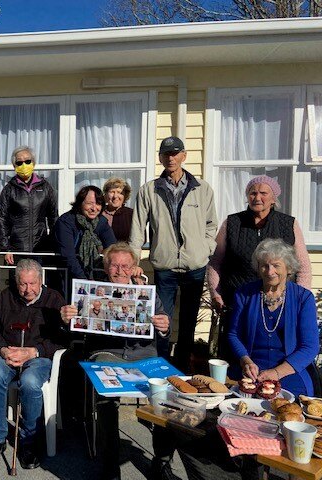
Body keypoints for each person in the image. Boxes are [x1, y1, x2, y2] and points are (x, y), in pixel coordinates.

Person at [61, 242, 170, 480]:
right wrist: (67, 319)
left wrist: (163, 327)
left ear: (134, 268)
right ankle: (110, 463)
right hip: (107, 353)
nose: (119, 271)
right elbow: (75, 332)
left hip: (143, 355)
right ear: (106, 267)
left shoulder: (147, 293)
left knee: (165, 396)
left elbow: (165, 329)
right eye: (114, 265)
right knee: (107, 397)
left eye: (125, 266)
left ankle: (162, 460)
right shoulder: (92, 292)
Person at [130, 136, 217, 369]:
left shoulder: (202, 189)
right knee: (161, 321)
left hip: (194, 268)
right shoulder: (149, 190)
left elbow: (211, 225)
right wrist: (133, 261)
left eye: (175, 153)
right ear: (160, 158)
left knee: (188, 324)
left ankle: (182, 371)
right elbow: (138, 228)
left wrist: (205, 250)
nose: (171, 158)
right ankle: (162, 367)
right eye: (166, 154)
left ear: (184, 156)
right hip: (165, 267)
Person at [207, 175, 312, 359]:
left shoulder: (288, 224)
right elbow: (216, 262)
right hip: (239, 302)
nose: (257, 197)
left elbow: (303, 266)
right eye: (253, 193)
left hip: (280, 304)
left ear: (273, 199)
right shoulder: (232, 223)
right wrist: (216, 294)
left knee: (278, 352)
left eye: (264, 193)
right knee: (236, 357)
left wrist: (298, 300)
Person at [0, 259, 66, 470]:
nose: (28, 289)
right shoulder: (6, 297)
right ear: (16, 282)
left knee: (29, 381)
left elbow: (62, 339)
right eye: (23, 284)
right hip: (8, 352)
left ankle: (29, 440)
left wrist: (34, 352)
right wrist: (3, 349)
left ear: (40, 281)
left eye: (32, 284)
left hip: (38, 357)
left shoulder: (54, 299)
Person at [228, 238, 318, 397]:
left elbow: (309, 347)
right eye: (264, 265)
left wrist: (277, 372)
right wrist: (246, 361)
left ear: (289, 268)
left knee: (288, 409)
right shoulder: (244, 294)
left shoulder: (303, 298)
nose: (269, 272)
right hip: (251, 370)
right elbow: (233, 334)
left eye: (276, 265)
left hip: (289, 371)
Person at [0, 146, 58, 270]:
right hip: (17, 248)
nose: (24, 165)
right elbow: (2, 219)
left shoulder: (46, 187)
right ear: (14, 166)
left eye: (27, 161)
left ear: (33, 163)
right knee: (18, 284)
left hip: (40, 247)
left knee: (39, 284)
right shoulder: (9, 189)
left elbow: (53, 217)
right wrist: (5, 248)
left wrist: (54, 243)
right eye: (19, 163)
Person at [54, 185, 117, 283]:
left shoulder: (101, 222)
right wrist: (83, 281)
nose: (94, 208)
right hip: (65, 276)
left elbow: (114, 248)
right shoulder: (66, 222)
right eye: (89, 203)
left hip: (93, 275)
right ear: (80, 203)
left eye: (98, 204)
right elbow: (68, 256)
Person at [102, 177, 134, 242]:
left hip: (124, 251)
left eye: (119, 192)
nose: (115, 196)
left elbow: (139, 237)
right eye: (112, 192)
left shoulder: (131, 214)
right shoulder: (98, 213)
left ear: (125, 196)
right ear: (106, 194)